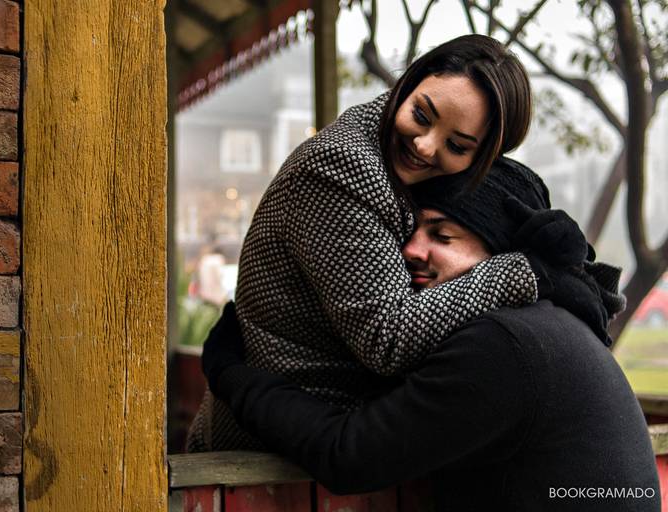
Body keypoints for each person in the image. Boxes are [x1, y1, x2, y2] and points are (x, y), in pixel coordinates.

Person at [187, 34, 587, 452]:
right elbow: (388, 338)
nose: (425, 145)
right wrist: (524, 272)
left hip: (335, 448)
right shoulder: (341, 167)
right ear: (408, 83)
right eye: (421, 114)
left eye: (456, 145)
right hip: (267, 453)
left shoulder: (412, 177)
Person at [200, 164, 660, 511]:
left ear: (498, 248)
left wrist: (232, 375)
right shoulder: (546, 325)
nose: (412, 251)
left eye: (442, 234)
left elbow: (347, 453)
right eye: (412, 232)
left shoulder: (500, 345)